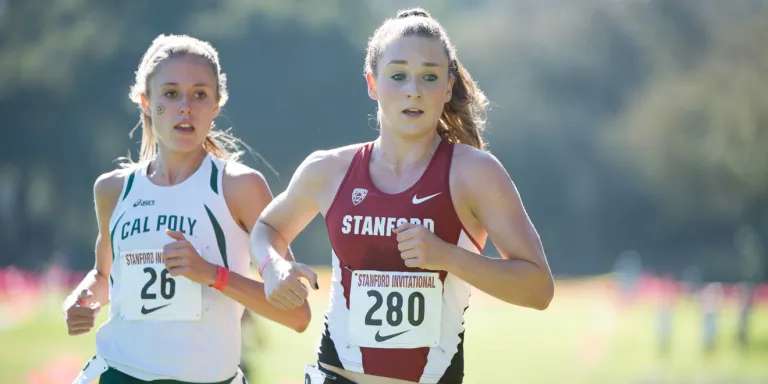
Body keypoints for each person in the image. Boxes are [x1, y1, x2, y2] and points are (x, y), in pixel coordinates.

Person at [250, 8, 554, 384]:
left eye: (429, 76)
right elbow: (267, 228)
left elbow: (539, 289)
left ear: (448, 86)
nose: (414, 89)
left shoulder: (475, 174)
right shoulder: (328, 169)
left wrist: (447, 256)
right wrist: (272, 267)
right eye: (398, 75)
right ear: (372, 84)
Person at [62, 34, 316, 384]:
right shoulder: (112, 189)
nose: (186, 107)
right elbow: (105, 276)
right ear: (146, 102)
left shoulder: (239, 186)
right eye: (170, 93)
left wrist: (213, 274)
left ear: (216, 105)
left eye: (200, 94)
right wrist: (82, 300)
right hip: (118, 373)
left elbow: (298, 315)